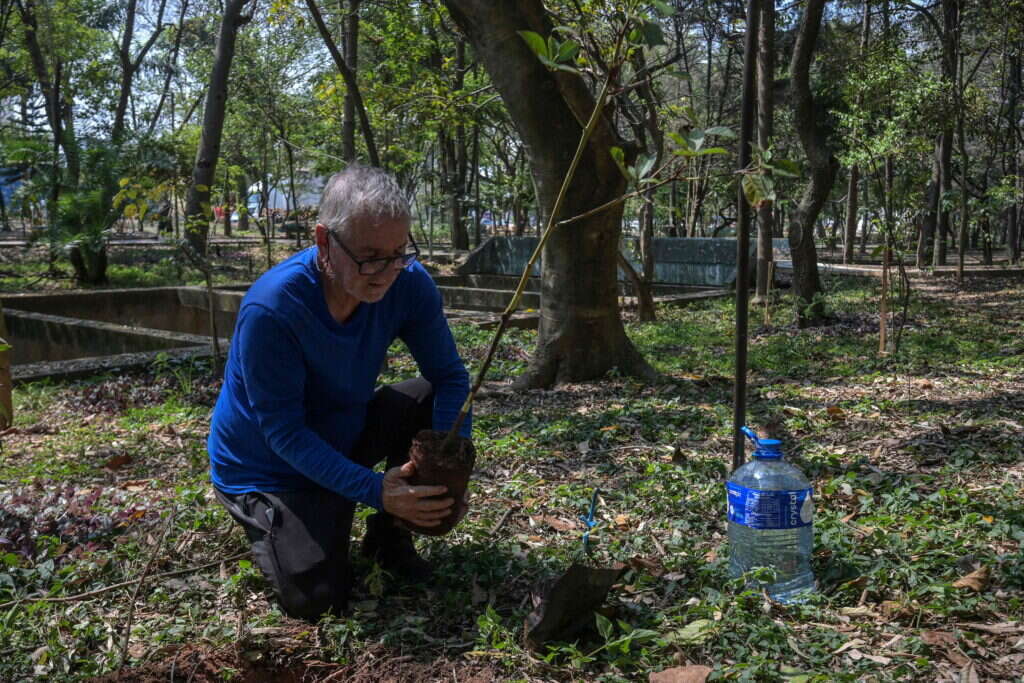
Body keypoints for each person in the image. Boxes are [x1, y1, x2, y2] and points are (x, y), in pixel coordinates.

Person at [207, 165, 472, 621]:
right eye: (370, 256)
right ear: (325, 241)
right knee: (315, 597)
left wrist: (450, 468)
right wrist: (372, 488)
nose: (387, 271)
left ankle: (389, 536)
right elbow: (285, 434)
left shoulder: (408, 283)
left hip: (342, 429)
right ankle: (294, 512)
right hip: (268, 466)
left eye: (399, 253)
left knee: (430, 398)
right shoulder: (273, 309)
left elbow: (449, 377)